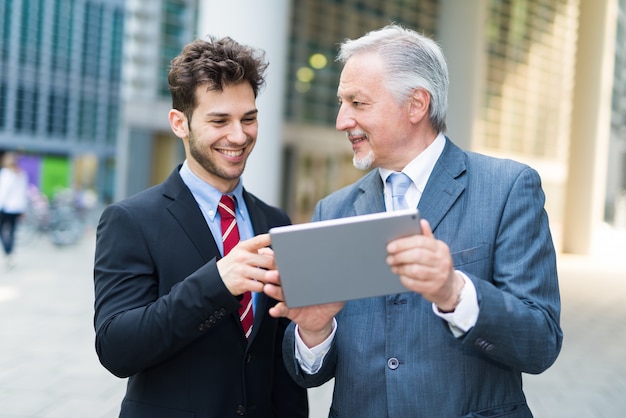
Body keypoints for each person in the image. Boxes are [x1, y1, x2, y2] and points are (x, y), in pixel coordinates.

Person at [264, 24, 563, 417]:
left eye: (357, 102)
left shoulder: (507, 188)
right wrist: (314, 331)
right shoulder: (332, 211)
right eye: (342, 103)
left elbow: (540, 343)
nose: (341, 120)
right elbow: (310, 375)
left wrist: (454, 292)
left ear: (416, 104)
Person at [93, 36, 308, 417]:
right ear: (180, 124)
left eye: (249, 118)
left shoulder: (275, 222)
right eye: (219, 120)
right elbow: (117, 348)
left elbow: (277, 357)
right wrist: (217, 283)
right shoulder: (130, 220)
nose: (239, 136)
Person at [0, 151, 29, 269]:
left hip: (6, 207)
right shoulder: (21, 174)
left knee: (2, 230)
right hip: (17, 207)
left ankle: (8, 252)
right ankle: (10, 253)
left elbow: (3, 192)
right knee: (12, 231)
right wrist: (23, 209)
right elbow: (23, 193)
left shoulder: (6, 173)